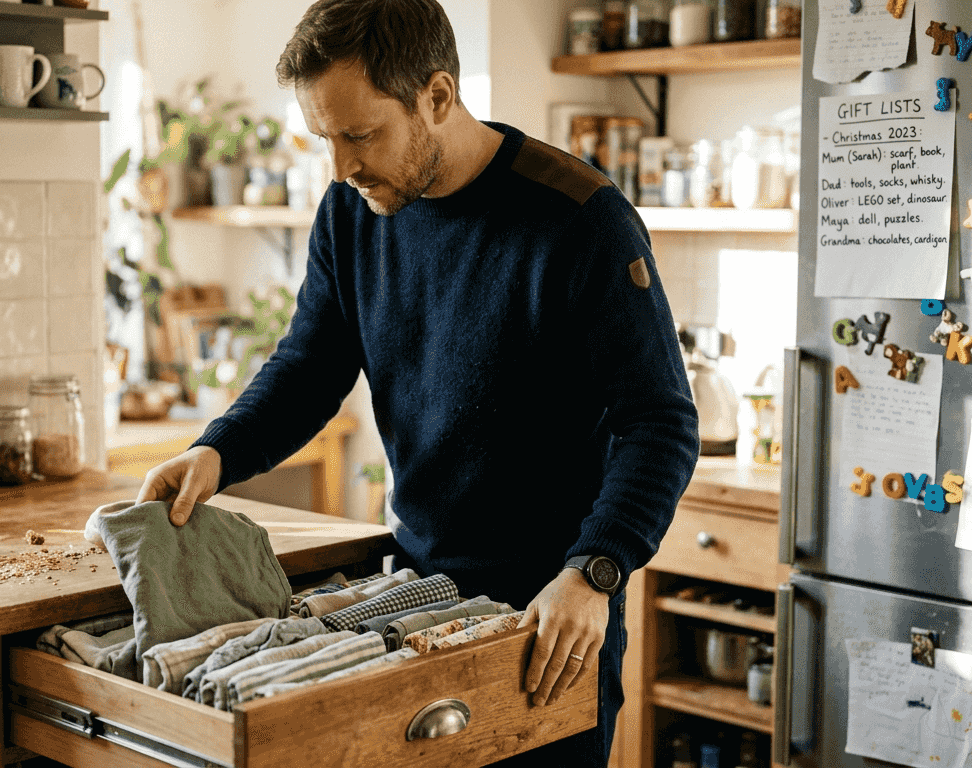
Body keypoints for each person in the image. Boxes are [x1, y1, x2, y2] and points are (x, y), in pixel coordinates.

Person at [136, 0, 699, 764]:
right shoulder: (351, 211)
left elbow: (660, 422)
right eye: (325, 139)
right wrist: (219, 452)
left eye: (360, 135)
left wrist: (595, 572)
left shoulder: (579, 218)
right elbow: (310, 366)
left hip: (550, 615)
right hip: (417, 599)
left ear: (436, 96)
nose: (340, 167)